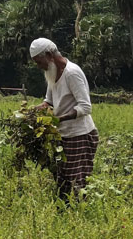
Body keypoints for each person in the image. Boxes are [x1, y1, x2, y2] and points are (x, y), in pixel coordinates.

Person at [30, 38, 98, 198]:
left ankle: (79, 217)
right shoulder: (52, 73)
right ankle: (65, 214)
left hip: (80, 135)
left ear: (48, 55)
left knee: (76, 183)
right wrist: (33, 111)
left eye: (40, 62)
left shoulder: (72, 73)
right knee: (62, 181)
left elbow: (85, 107)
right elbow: (49, 101)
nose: (40, 67)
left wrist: (58, 119)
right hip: (63, 135)